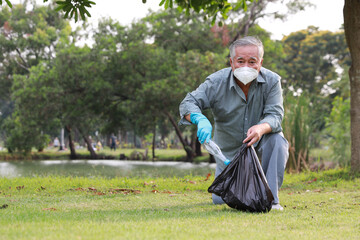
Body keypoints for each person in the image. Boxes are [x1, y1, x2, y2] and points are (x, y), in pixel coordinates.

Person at [179, 36, 289, 211]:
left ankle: (271, 200)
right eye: (240, 61)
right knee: (221, 200)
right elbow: (188, 103)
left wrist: (261, 128)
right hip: (228, 158)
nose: (246, 66)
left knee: (277, 139)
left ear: (260, 62)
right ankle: (243, 189)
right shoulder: (216, 82)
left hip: (259, 147)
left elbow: (275, 115)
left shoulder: (272, 81)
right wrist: (199, 119)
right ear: (231, 62)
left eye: (252, 61)